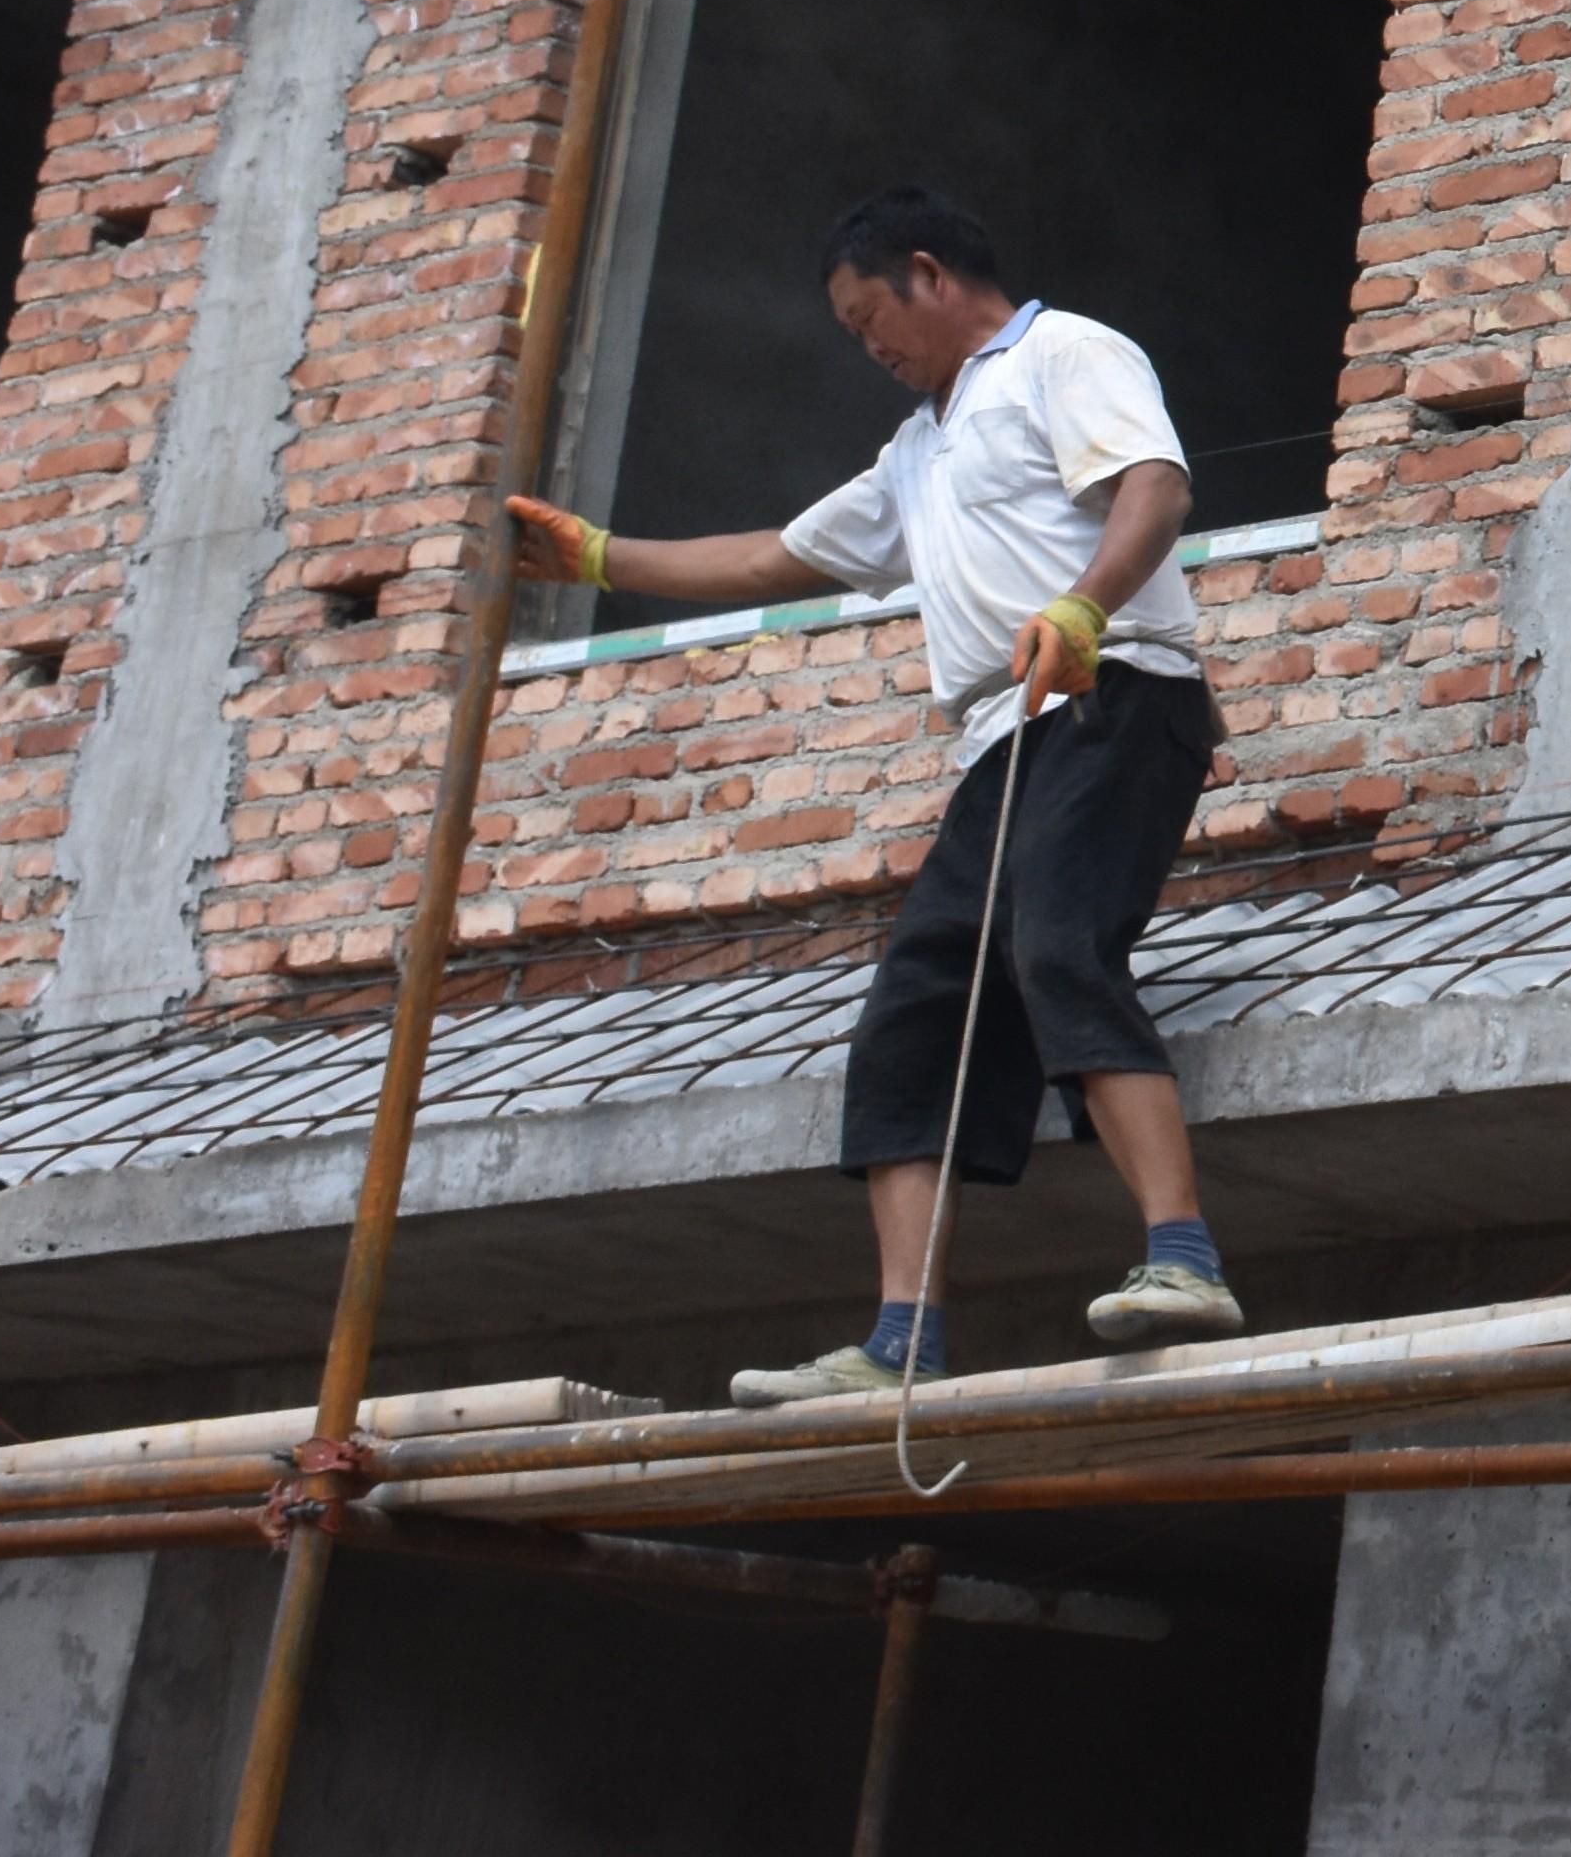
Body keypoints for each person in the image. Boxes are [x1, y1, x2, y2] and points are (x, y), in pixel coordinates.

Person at [510, 188, 1242, 1398]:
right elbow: (772, 555)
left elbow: (1155, 488)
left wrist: (1084, 608)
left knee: (1060, 948)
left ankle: (1183, 1256)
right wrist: (596, 557)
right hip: (998, 745)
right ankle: (901, 1340)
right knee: (912, 1023)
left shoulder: (1064, 353)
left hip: (1112, 701)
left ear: (928, 272)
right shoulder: (918, 449)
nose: (870, 349)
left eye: (869, 321)